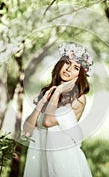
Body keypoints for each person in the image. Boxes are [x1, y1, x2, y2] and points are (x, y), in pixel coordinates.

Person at [23, 43, 93, 177]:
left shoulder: (79, 98)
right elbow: (27, 131)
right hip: (41, 160)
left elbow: (48, 121)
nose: (68, 69)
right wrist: (42, 102)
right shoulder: (47, 93)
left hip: (63, 161)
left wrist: (59, 90)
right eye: (67, 62)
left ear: (80, 75)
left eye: (76, 68)